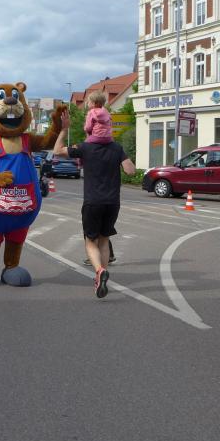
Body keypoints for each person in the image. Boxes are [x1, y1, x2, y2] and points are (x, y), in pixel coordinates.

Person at [54, 110, 135, 299]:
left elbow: (57, 151)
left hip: (93, 202)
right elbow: (131, 171)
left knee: (90, 242)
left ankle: (99, 271)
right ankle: (102, 275)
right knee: (104, 240)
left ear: (90, 128)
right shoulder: (117, 148)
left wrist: (64, 130)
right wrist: (122, 159)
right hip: (112, 203)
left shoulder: (85, 148)